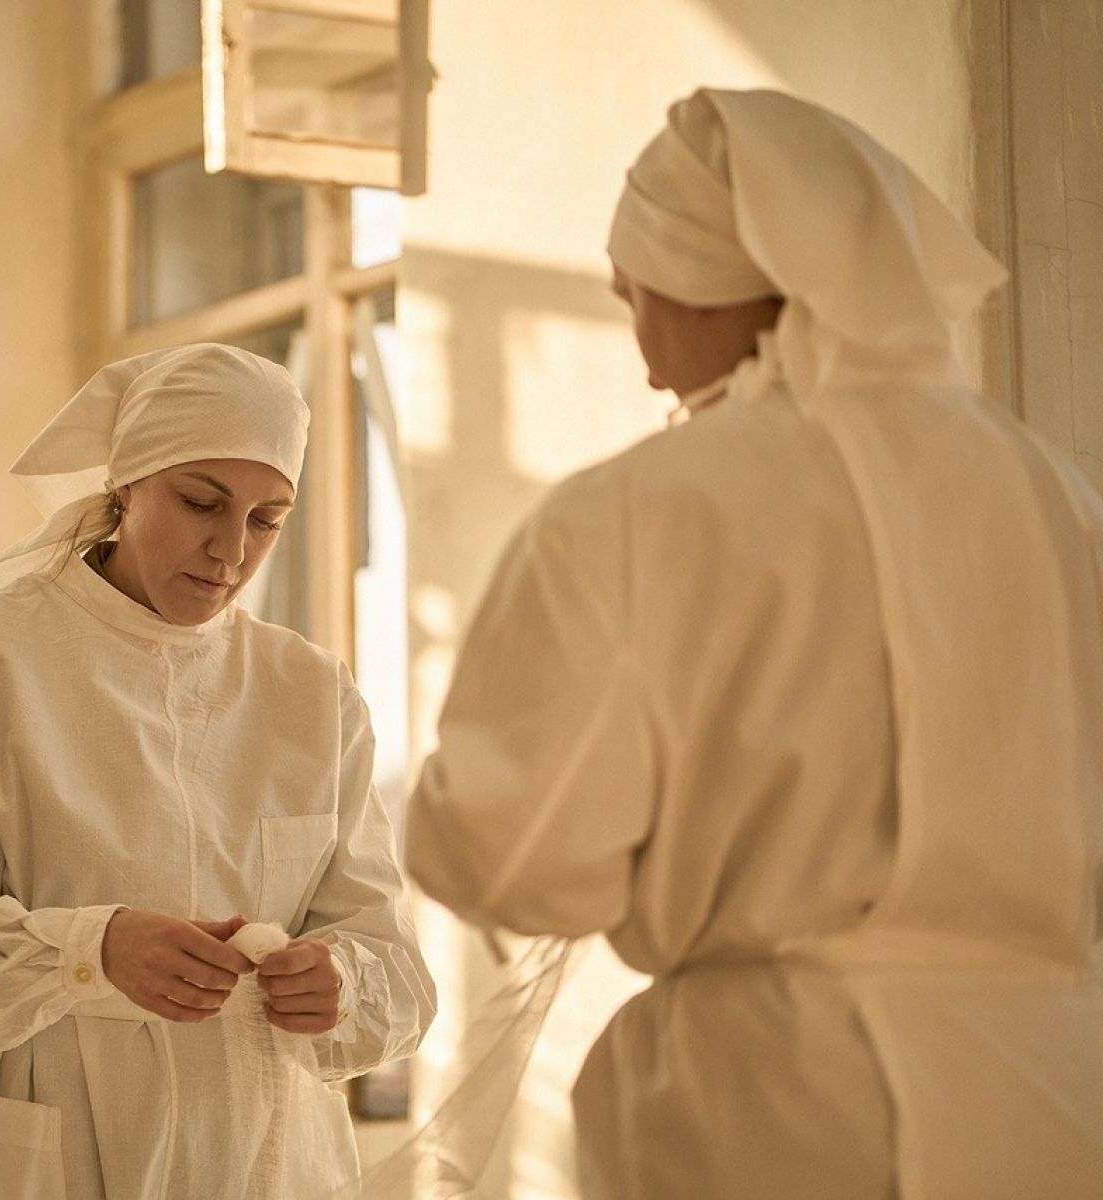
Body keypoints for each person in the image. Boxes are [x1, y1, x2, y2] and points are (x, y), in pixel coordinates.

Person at [406, 88, 1103, 1199]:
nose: (645, 361)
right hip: (1056, 1100)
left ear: (695, 285)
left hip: (782, 1109)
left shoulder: (642, 508)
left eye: (633, 297)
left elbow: (513, 859)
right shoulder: (1060, 498)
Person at [0, 343, 434, 1200]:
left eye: (267, 520)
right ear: (126, 485)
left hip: (261, 1156)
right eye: (200, 503)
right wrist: (93, 951)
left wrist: (340, 984)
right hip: (42, 1148)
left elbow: (396, 968)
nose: (231, 551)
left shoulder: (312, 695)